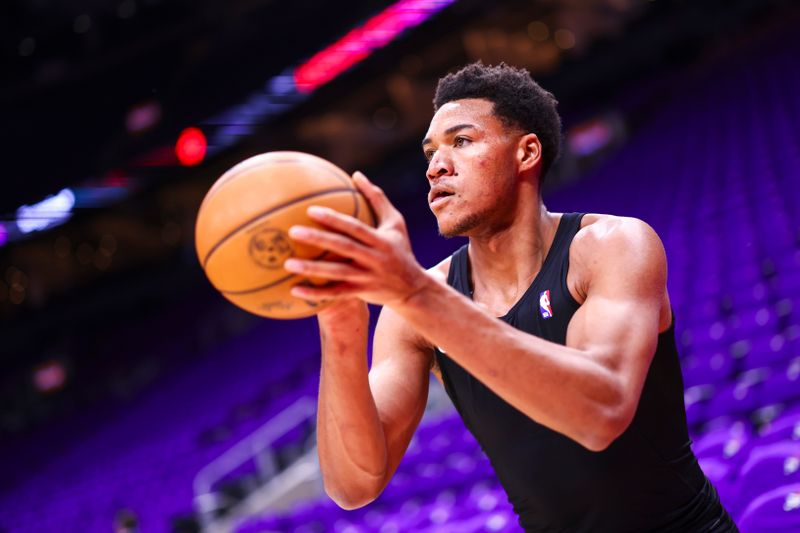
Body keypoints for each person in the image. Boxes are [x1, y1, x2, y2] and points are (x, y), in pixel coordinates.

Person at [282, 62, 737, 532]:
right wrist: (339, 326)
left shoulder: (611, 247)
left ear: (526, 153)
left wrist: (414, 292)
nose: (436, 166)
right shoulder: (417, 309)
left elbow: (600, 413)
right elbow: (353, 485)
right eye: (430, 153)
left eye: (461, 141)